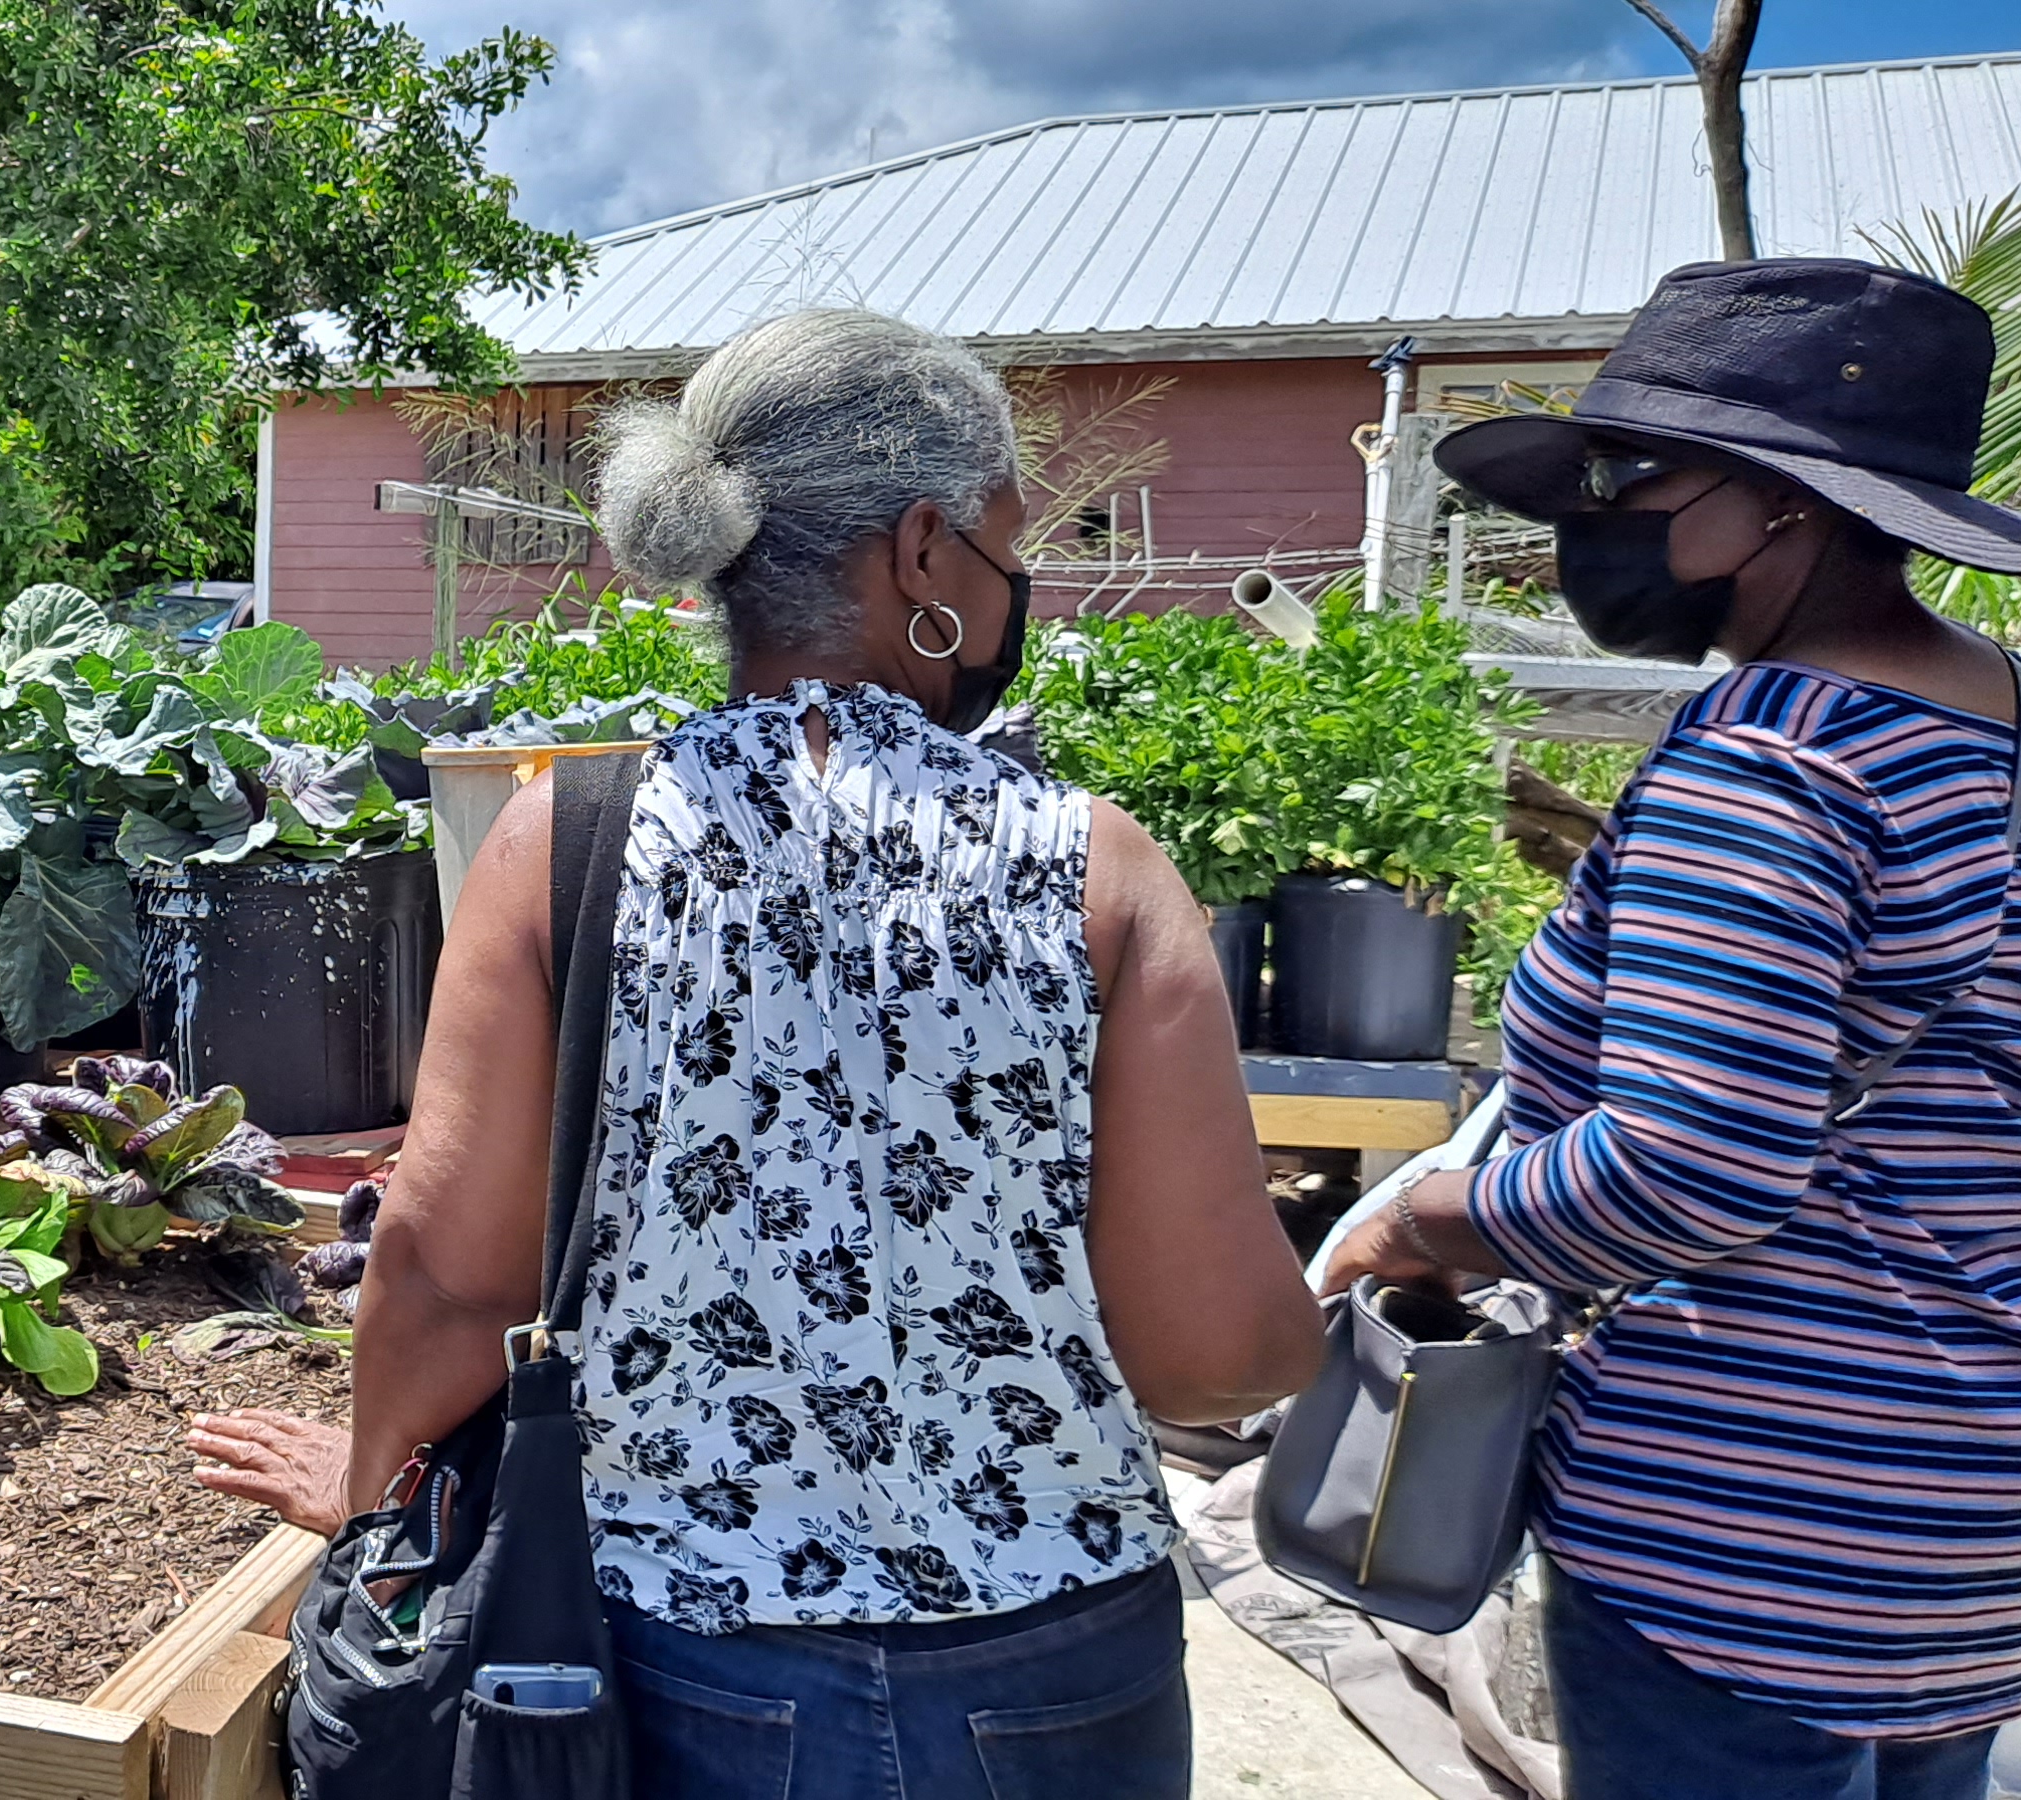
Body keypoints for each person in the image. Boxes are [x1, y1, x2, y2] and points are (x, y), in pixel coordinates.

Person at [302, 307, 1325, 1800]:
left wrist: (366, 1500)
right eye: (1003, 542)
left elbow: (452, 1279)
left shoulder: (568, 846)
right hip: (1055, 1664)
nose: (1015, 586)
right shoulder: (1094, 869)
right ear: (922, 555)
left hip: (690, 1655)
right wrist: (1340, 1301)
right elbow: (1210, 1356)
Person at [1327, 258, 2021, 1800]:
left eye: (1629, 476)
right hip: (1967, 1527)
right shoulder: (1992, 724)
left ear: (1789, 503)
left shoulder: (1776, 760)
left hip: (1754, 1529)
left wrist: (1421, 1227)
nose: (1587, 519)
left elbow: (1688, 1170)